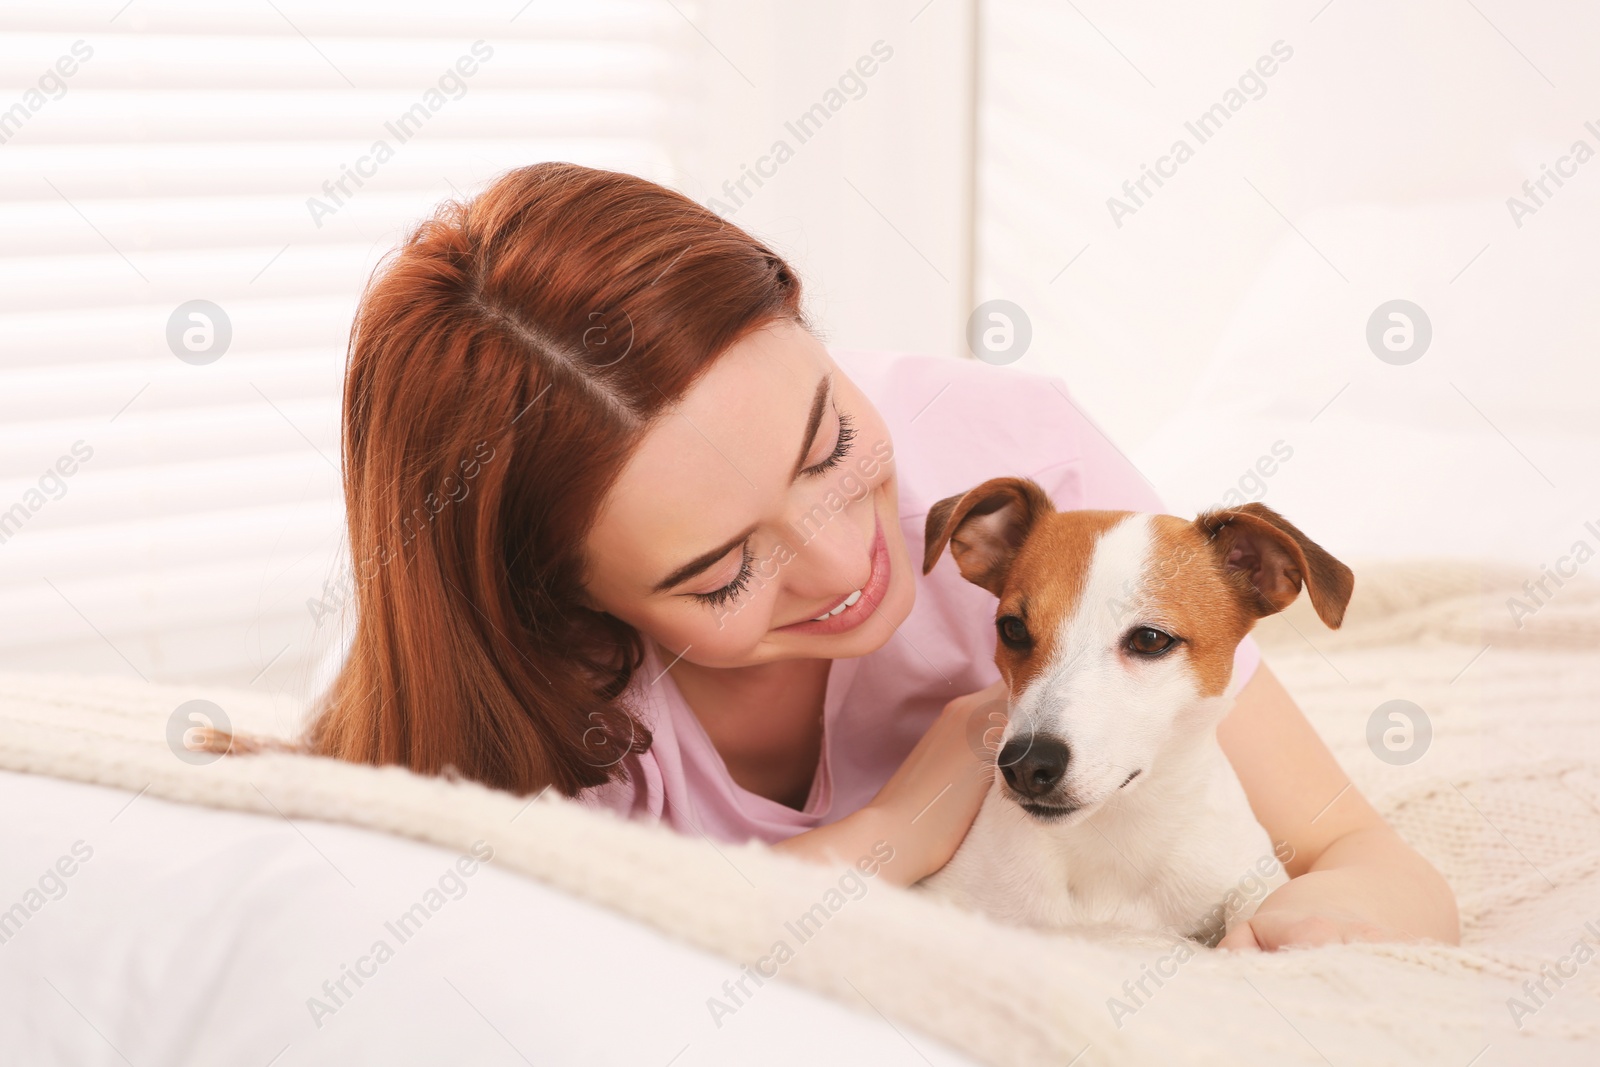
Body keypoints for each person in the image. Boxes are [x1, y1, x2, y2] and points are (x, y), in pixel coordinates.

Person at [300, 161, 1459, 952]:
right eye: (719, 572)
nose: (842, 559)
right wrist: (893, 824)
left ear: (805, 319)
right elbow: (568, 976)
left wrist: (1335, 921)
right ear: (563, 606)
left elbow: (1351, 847)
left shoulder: (1020, 473)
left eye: (831, 443)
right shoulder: (536, 704)